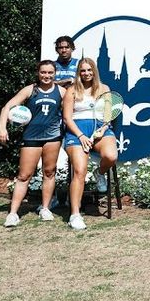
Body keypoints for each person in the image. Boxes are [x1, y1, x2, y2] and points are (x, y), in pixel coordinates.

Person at [0, 60, 65, 227]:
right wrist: (2, 128)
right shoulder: (30, 90)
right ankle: (13, 214)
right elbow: (7, 107)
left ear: (55, 73)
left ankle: (45, 209)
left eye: (50, 72)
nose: (46, 76)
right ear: (38, 73)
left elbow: (70, 112)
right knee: (24, 176)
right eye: (43, 72)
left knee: (49, 172)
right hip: (32, 138)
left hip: (53, 138)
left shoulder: (62, 91)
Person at [60, 57, 120, 231]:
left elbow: (108, 114)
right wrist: (80, 136)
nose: (86, 73)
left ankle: (99, 173)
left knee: (111, 156)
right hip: (76, 131)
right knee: (79, 170)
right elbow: (67, 118)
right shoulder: (71, 90)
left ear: (94, 71)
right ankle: (75, 215)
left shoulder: (104, 89)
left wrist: (102, 129)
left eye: (89, 70)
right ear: (79, 72)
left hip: (100, 129)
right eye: (82, 70)